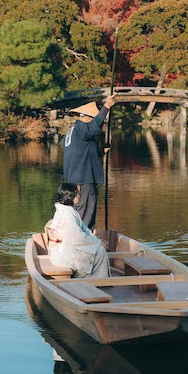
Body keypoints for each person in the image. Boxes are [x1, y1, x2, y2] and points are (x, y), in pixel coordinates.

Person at [63, 93, 117, 231]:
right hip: (83, 182)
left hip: (73, 182)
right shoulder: (82, 128)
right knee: (86, 218)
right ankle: (82, 246)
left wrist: (100, 152)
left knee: (80, 216)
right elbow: (93, 127)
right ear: (87, 118)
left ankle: (83, 244)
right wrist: (106, 107)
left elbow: (80, 154)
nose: (101, 125)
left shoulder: (71, 133)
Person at [46, 182, 110, 278]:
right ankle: (95, 280)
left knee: (99, 248)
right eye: (77, 194)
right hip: (63, 253)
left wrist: (97, 240)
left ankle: (96, 278)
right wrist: (97, 243)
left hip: (68, 246)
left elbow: (85, 230)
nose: (79, 196)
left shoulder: (69, 210)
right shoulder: (66, 213)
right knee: (100, 251)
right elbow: (77, 237)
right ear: (73, 197)